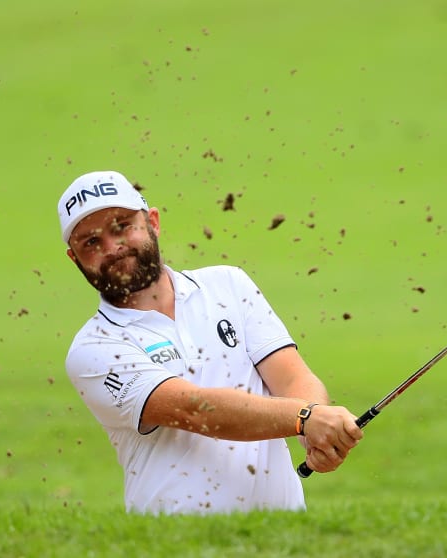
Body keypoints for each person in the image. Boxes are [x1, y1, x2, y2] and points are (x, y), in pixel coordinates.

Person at [58, 170, 364, 514]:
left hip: (284, 534)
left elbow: (292, 376)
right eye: (91, 243)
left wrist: (314, 429)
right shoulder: (94, 347)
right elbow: (196, 409)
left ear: (153, 222)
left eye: (122, 226)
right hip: (176, 542)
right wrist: (305, 417)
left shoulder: (228, 285)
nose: (112, 247)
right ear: (74, 258)